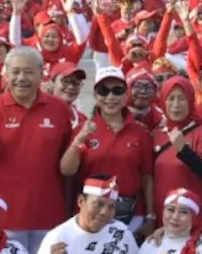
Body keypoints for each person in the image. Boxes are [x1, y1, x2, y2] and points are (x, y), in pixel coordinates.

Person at [0, 47, 74, 254]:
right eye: (15, 72)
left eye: (28, 72)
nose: (21, 78)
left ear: (41, 75)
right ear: (6, 74)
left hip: (49, 215)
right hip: (5, 216)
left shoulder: (59, 108)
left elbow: (67, 162)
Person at [60, 67, 155, 233]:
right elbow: (67, 171)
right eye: (103, 91)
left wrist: (150, 216)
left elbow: (147, 177)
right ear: (96, 96)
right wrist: (80, 139)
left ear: (126, 95)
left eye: (117, 91)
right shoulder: (83, 130)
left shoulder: (141, 133)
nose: (110, 97)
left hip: (130, 216)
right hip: (90, 215)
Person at [152, 77, 202, 238]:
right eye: (171, 98)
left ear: (190, 101)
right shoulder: (156, 134)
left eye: (182, 98)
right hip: (165, 220)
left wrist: (184, 151)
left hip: (197, 220)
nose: (176, 105)